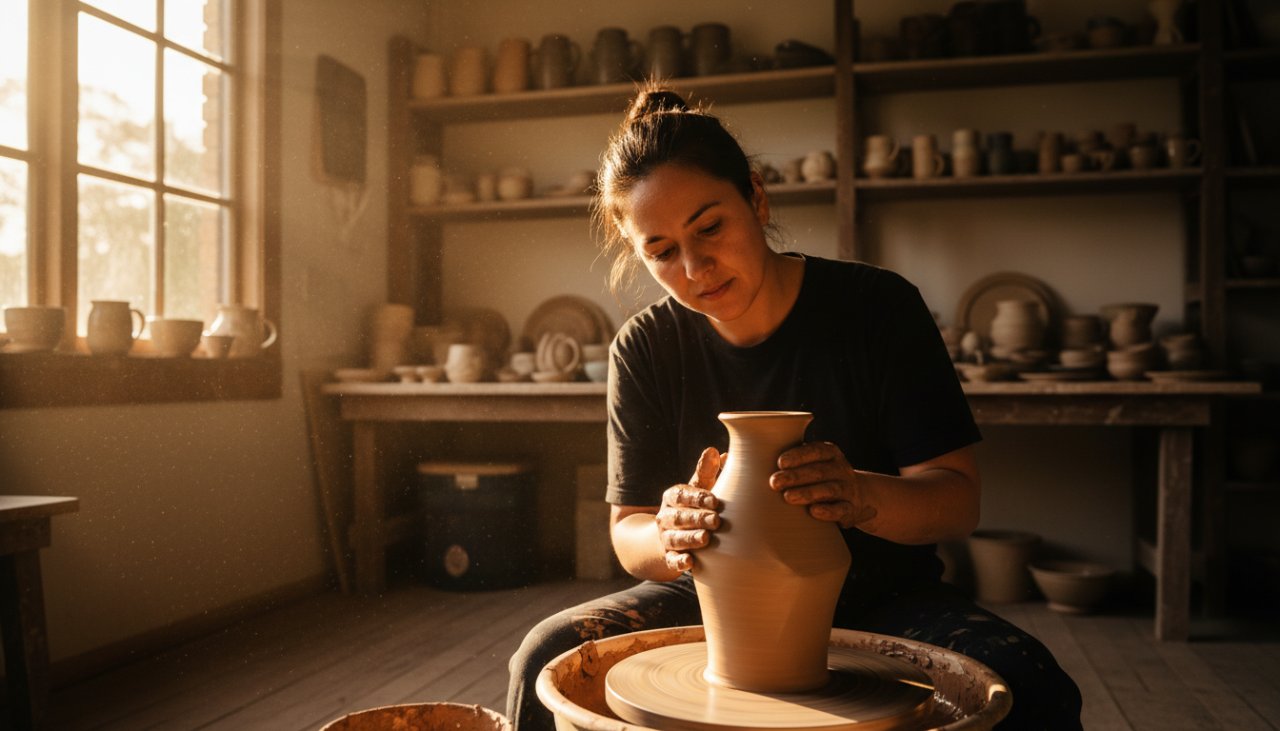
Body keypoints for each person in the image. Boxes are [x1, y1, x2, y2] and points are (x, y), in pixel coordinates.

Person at [506, 87, 1083, 730]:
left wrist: (860, 496)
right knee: (545, 656)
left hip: (885, 596)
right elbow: (629, 531)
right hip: (714, 599)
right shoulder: (645, 345)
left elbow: (957, 500)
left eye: (710, 227)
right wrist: (672, 535)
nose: (696, 268)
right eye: (662, 251)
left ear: (756, 196)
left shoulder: (878, 309)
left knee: (1028, 680)